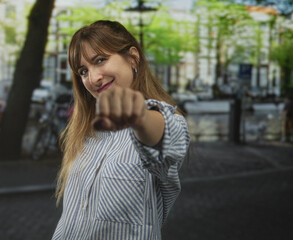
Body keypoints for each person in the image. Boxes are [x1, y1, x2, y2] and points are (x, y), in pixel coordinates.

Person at [52, 20, 190, 239]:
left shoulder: (163, 120)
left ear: (133, 58)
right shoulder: (86, 133)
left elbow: (164, 137)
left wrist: (138, 116)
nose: (93, 78)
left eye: (100, 60)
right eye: (83, 70)